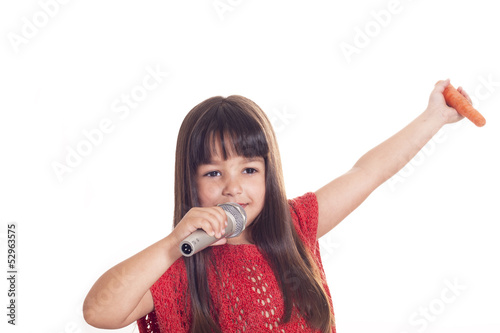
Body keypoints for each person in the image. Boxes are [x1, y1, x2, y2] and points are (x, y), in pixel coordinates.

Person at [83, 79, 471, 333]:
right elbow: (99, 312)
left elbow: (367, 171)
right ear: (191, 183)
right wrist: (171, 246)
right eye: (213, 174)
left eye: (248, 169)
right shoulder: (181, 265)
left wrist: (434, 117)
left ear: (268, 173)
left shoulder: (296, 223)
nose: (234, 188)